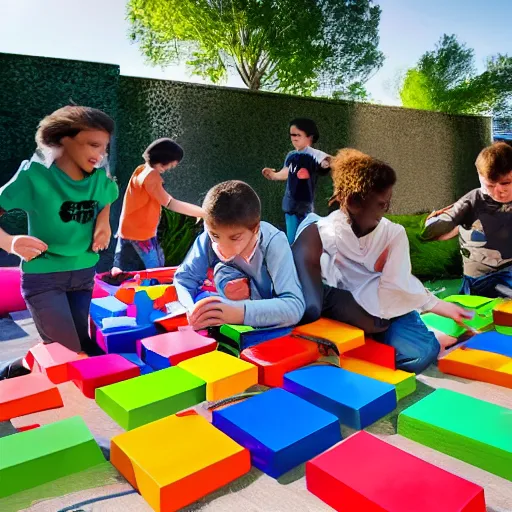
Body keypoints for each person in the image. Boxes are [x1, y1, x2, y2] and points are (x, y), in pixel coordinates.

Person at [292, 148, 472, 374]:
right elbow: (308, 284)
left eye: (387, 203)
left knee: (421, 353)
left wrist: (439, 306)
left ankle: (428, 334)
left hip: (387, 312)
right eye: (380, 204)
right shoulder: (323, 231)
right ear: (353, 202)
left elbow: (400, 284)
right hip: (346, 310)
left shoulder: (392, 234)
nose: (385, 210)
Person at [0, 105, 119, 378]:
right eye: (92, 145)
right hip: (44, 278)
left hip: (83, 274)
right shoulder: (35, 176)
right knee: (66, 353)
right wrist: (9, 242)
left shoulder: (98, 178)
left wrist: (104, 220)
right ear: (63, 140)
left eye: (104, 148)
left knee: (80, 345)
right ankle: (8, 375)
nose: (100, 154)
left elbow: (108, 196)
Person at [173, 180, 305, 330]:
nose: (223, 247)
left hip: (267, 325)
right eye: (215, 235)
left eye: (235, 238)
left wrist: (238, 312)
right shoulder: (207, 240)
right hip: (229, 322)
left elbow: (294, 307)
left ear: (255, 229)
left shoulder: (274, 243)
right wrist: (190, 310)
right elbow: (183, 280)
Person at [422, 142, 512, 298]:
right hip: (480, 279)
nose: (499, 192)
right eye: (490, 186)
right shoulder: (472, 202)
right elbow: (436, 230)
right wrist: (433, 224)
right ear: (480, 177)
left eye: (506, 183)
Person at [112, 138, 204, 275]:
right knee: (155, 269)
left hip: (128, 228)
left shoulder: (141, 169)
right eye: (171, 165)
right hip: (140, 234)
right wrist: (203, 212)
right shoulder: (151, 176)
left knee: (121, 266)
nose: (170, 169)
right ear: (163, 162)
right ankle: (152, 290)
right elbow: (170, 203)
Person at [262, 118, 331, 244]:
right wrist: (273, 175)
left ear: (310, 136)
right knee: (292, 241)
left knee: (304, 241)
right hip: (290, 205)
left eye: (297, 135)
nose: (293, 138)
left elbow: (329, 161)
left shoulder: (315, 154)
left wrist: (326, 163)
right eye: (292, 135)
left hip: (306, 208)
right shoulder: (291, 155)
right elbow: (286, 172)